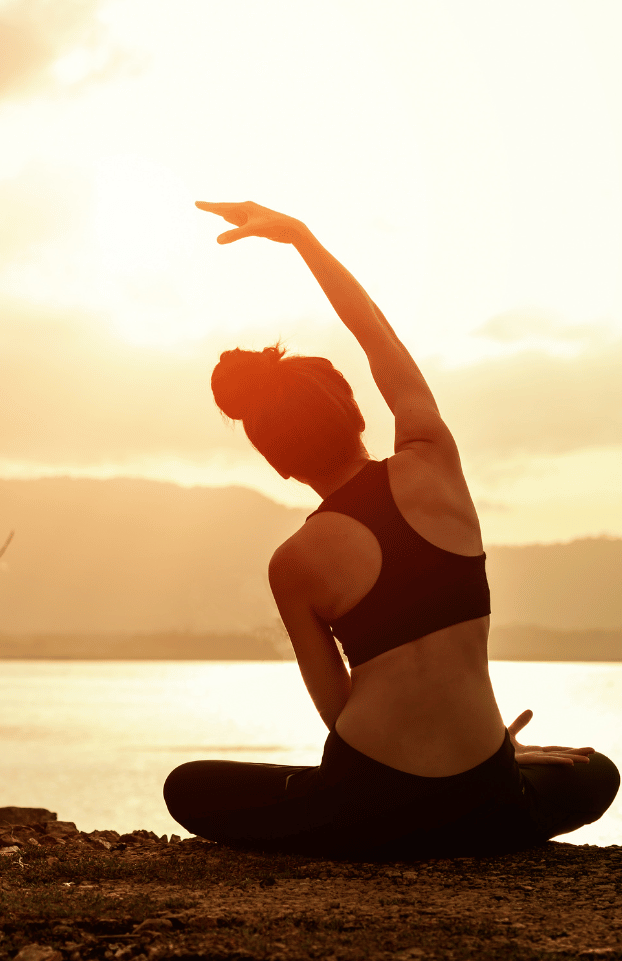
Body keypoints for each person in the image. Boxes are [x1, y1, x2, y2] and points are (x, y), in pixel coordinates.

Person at [163, 201, 619, 858]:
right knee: (596, 772)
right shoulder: (434, 460)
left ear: (280, 465)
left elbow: (338, 713)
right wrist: (300, 238)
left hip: (369, 812)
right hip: (486, 799)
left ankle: (368, 817)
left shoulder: (293, 563)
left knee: (191, 787)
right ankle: (491, 781)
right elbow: (377, 335)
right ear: (354, 410)